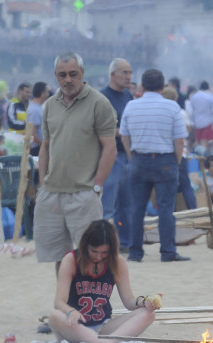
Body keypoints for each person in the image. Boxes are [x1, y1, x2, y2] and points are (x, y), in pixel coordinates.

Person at [35, 52, 118, 270]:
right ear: (55, 76)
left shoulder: (99, 103)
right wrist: (42, 183)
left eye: (73, 74)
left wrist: (97, 186)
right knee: (59, 258)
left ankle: (87, 303)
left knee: (90, 254)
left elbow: (110, 147)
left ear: (82, 73)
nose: (68, 79)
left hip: (84, 193)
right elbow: (45, 146)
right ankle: (65, 302)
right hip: (52, 194)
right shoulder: (50, 105)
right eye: (62, 75)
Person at [47, 219, 156, 343]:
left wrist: (144, 301)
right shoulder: (71, 259)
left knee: (148, 314)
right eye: (94, 251)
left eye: (104, 253)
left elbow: (128, 301)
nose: (98, 257)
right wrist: (71, 311)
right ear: (85, 246)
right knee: (55, 316)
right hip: (76, 326)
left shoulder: (117, 262)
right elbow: (59, 302)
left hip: (103, 327)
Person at [121, 68, 190, 263]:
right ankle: (167, 251)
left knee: (137, 209)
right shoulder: (172, 107)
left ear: (142, 86)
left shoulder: (131, 106)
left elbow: (125, 137)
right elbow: (179, 141)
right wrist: (175, 162)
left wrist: (132, 157)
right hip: (165, 160)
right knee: (166, 209)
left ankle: (135, 252)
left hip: (139, 160)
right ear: (163, 86)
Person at [99, 58, 135, 252]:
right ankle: (102, 243)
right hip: (110, 158)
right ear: (113, 74)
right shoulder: (102, 97)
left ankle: (126, 243)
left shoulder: (128, 96)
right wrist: (121, 131)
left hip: (127, 156)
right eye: (125, 73)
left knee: (127, 205)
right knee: (107, 206)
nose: (129, 77)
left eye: (130, 73)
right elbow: (98, 127)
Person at [189, 81, 213, 151]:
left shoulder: (194, 96)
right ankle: (205, 158)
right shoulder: (210, 97)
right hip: (208, 121)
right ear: (208, 88)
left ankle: (199, 158)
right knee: (204, 141)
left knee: (198, 141)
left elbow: (191, 109)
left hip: (197, 121)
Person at [27, 81, 49, 157]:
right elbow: (33, 133)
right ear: (42, 93)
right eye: (47, 92)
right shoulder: (34, 110)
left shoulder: (39, 107)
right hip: (37, 147)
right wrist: (43, 146)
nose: (48, 94)